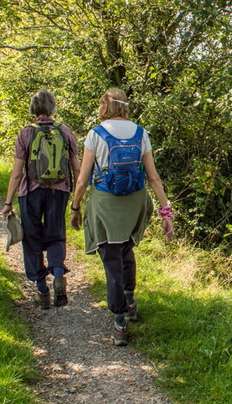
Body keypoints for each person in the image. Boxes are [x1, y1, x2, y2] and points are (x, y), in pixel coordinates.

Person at [71, 88, 174, 346]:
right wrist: (166, 212)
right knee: (126, 248)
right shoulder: (141, 133)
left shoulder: (96, 134)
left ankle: (120, 321)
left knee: (111, 258)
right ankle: (130, 301)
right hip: (136, 202)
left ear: (106, 105)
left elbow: (83, 179)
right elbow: (153, 177)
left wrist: (75, 207)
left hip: (106, 203)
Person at [2, 89, 80, 309]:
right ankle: (57, 273)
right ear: (53, 107)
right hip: (60, 191)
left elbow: (17, 172)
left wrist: (8, 202)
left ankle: (41, 290)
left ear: (33, 109)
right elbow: (76, 167)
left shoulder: (25, 133)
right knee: (56, 234)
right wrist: (77, 199)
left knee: (32, 237)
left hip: (30, 192)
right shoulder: (65, 131)